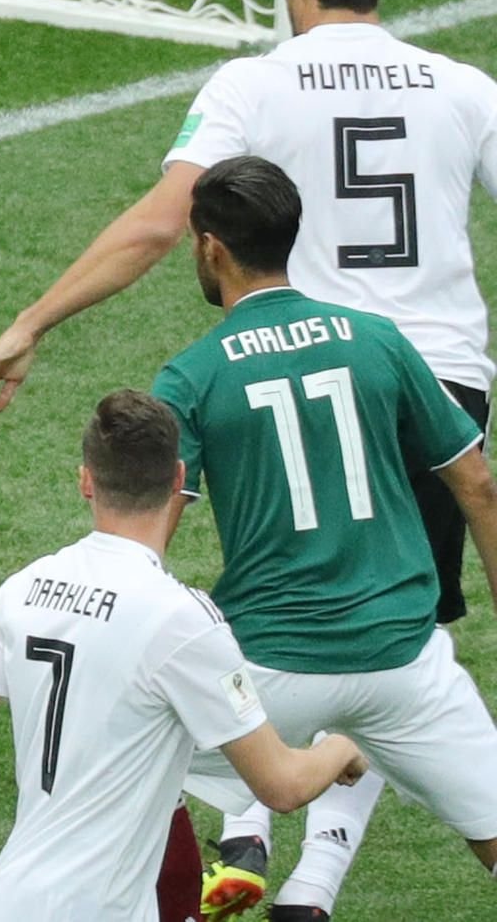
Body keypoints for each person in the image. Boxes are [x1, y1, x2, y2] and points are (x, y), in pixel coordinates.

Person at [0, 0, 497, 916]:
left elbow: (164, 224)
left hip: (281, 366)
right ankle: (305, 874)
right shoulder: (464, 87)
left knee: (272, 604)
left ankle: (255, 829)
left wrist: (34, 318)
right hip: (434, 376)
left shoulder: (255, 83)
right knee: (399, 634)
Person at [0, 389, 368, 922]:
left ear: (85, 480)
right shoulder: (182, 621)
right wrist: (343, 746)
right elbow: (282, 785)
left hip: (10, 899)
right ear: (179, 481)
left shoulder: (25, 589)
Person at [152, 155, 497, 918]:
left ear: (210, 247)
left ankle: (227, 853)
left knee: (124, 779)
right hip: (407, 663)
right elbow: (476, 484)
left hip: (268, 671)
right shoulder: (379, 340)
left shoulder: (191, 376)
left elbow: (147, 548)